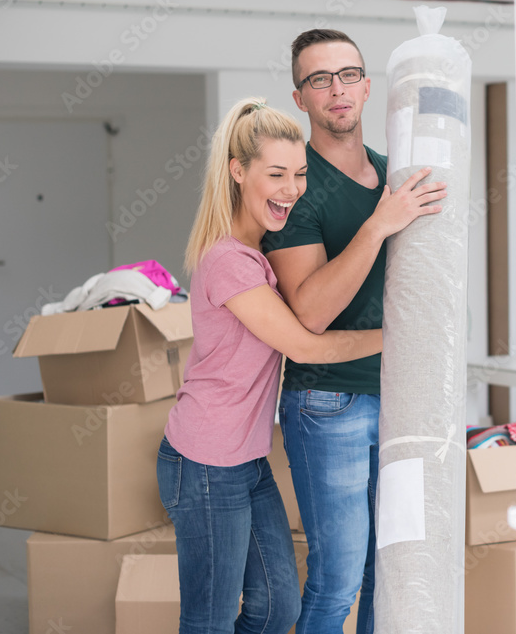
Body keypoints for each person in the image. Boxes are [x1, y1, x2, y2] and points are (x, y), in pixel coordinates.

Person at [157, 97, 385, 634]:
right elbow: (306, 346)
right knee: (209, 620)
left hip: (247, 460)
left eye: (300, 174)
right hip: (206, 463)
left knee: (276, 608)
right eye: (276, 174)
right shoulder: (229, 263)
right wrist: (399, 336)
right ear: (238, 172)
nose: (291, 189)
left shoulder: (256, 254)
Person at [262, 30, 447, 634]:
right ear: (300, 97)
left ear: (368, 87)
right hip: (327, 402)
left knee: (384, 573)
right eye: (319, 80)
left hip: (400, 396)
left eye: (347, 75)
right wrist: (378, 224)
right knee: (337, 579)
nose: (336, 90)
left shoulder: (398, 176)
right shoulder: (296, 187)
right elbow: (309, 311)